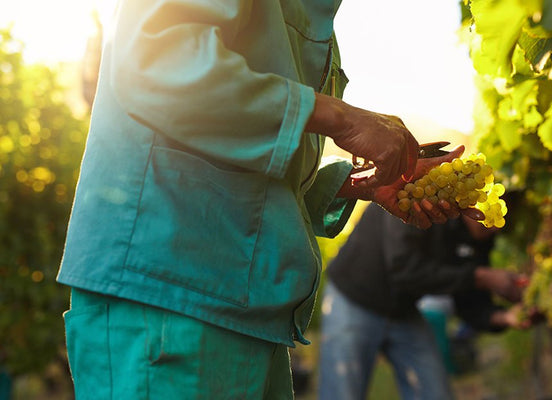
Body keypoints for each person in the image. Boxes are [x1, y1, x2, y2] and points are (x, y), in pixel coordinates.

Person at [55, 2, 482, 399]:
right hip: (167, 300)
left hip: (234, 304)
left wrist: (359, 185)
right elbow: (156, 61)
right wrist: (339, 116)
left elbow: (246, 157)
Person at [318, 202, 531, 400]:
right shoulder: (424, 196)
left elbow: (468, 297)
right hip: (353, 299)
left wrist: (508, 317)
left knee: (435, 393)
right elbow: (403, 269)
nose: (496, 228)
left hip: (403, 310)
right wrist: (481, 277)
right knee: (341, 393)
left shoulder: (480, 231)